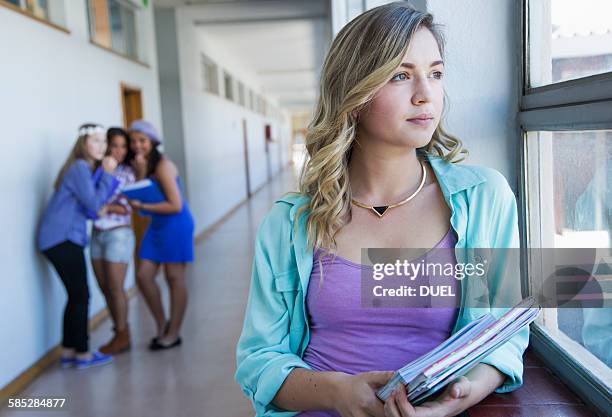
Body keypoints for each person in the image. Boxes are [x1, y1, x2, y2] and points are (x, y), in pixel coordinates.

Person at [235, 3, 528, 417]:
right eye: (401, 75)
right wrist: (338, 392)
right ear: (354, 95)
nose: (426, 92)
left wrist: (459, 394)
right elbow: (258, 359)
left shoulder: (485, 198)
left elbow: (501, 333)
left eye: (436, 73)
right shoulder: (288, 223)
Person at [38, 123, 119, 369]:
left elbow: (88, 208)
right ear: (83, 144)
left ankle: (68, 351)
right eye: (95, 141)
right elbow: (95, 205)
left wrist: (99, 201)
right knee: (81, 294)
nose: (101, 146)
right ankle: (83, 354)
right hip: (62, 239)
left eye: (103, 142)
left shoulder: (80, 169)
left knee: (75, 295)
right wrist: (107, 174)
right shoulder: (81, 168)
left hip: (59, 238)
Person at [126, 120, 194, 350]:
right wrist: (140, 172)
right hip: (156, 225)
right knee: (144, 276)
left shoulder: (164, 165)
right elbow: (141, 194)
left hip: (176, 224)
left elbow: (175, 205)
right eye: (133, 141)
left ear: (153, 142)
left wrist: (142, 206)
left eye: (142, 141)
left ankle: (173, 333)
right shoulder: (140, 165)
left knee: (174, 278)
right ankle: (162, 324)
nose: (137, 146)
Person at [91, 127, 136, 355]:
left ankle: (121, 334)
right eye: (114, 145)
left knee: (116, 288)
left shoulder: (127, 173)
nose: (118, 151)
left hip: (118, 234)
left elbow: (127, 206)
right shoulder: (99, 169)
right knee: (104, 287)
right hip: (97, 233)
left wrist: (107, 206)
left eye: (122, 146)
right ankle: (120, 330)